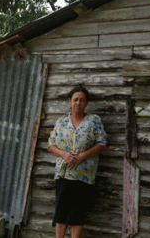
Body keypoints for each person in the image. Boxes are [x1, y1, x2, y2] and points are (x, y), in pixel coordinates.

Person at [47, 85, 108, 238]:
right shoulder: (61, 122)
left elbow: (101, 143)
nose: (78, 103)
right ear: (69, 101)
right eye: (75, 99)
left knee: (78, 212)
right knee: (61, 211)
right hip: (63, 172)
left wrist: (81, 157)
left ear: (86, 103)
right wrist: (65, 155)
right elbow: (51, 145)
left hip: (84, 175)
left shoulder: (93, 120)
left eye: (82, 100)